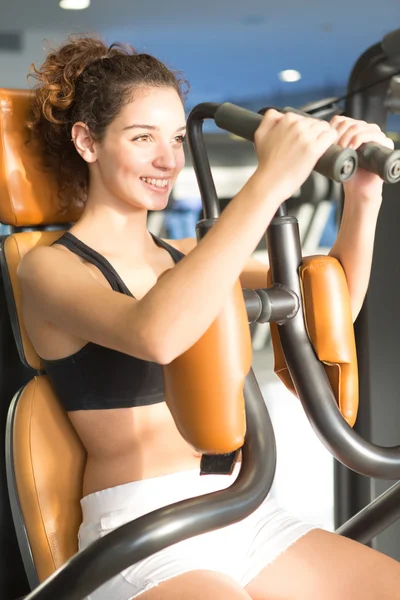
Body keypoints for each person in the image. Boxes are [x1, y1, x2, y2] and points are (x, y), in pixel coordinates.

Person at [18, 34, 400, 600]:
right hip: (143, 530)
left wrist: (363, 197)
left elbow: (327, 301)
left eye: (175, 138)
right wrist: (268, 181)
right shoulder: (48, 270)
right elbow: (158, 333)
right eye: (142, 137)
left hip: (244, 509)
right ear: (87, 142)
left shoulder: (187, 258)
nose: (168, 159)